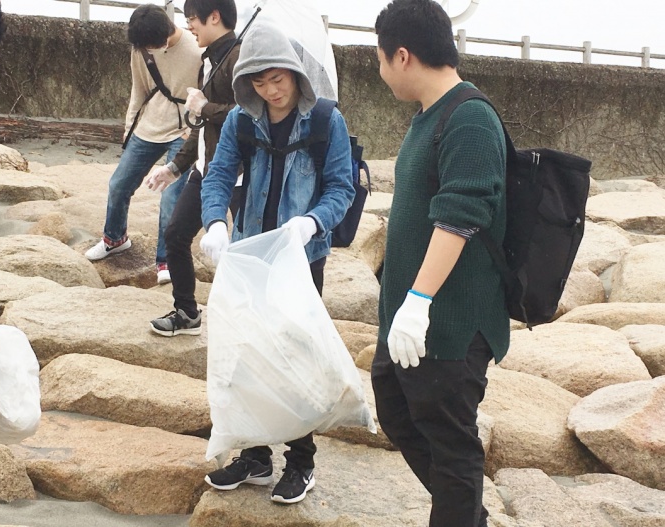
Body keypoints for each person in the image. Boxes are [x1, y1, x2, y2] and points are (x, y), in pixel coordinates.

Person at [198, 21, 354, 504]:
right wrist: (215, 222)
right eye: (260, 82)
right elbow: (219, 174)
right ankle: (255, 455)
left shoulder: (327, 121)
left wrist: (312, 222)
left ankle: (301, 463)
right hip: (252, 256)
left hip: (301, 259)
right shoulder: (242, 120)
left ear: (295, 73)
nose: (271, 90)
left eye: (278, 78)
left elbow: (342, 188)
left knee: (296, 357)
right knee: (249, 354)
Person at [371, 1, 510, 526]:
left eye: (380, 59)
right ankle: (467, 514)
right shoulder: (428, 115)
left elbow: (461, 215)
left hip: (451, 321)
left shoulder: (469, 116)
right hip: (410, 319)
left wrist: (418, 300)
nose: (380, 71)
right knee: (397, 409)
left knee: (452, 445)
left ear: (402, 55)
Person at [85, 4, 201, 285]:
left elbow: (205, 95)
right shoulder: (141, 49)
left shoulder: (196, 49)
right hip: (150, 124)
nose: (150, 50)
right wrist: (129, 129)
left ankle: (166, 260)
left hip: (184, 130)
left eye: (153, 45)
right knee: (119, 184)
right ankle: (115, 239)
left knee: (171, 197)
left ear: (167, 31)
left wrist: (194, 129)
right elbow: (139, 90)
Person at [146, 0, 240, 337]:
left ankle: (248, 322)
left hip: (240, 173)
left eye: (193, 19)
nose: (189, 27)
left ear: (215, 17)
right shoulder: (209, 60)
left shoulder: (240, 58)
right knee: (175, 235)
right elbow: (202, 126)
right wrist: (174, 168)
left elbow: (250, 115)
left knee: (245, 248)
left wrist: (206, 106)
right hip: (206, 168)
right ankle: (187, 312)